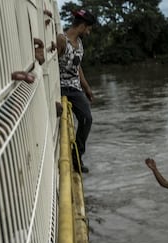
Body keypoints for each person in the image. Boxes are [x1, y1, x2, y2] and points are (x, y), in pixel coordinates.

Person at [57, 9, 96, 173]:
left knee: (87, 119)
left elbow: (77, 66)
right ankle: (72, 158)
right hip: (60, 86)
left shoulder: (79, 43)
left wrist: (87, 88)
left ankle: (76, 156)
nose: (88, 32)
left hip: (75, 87)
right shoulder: (61, 40)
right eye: (88, 29)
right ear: (81, 26)